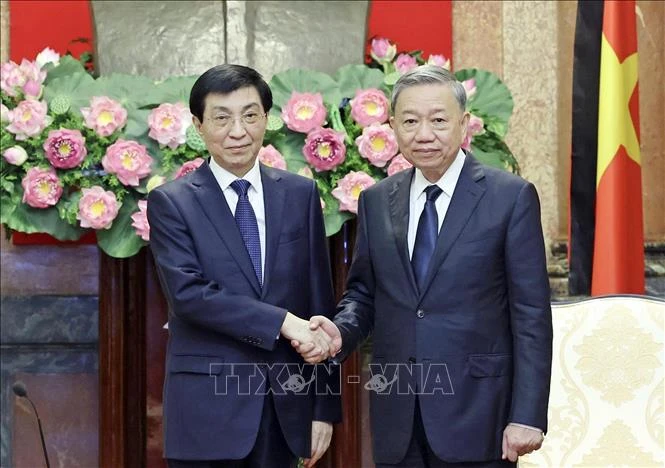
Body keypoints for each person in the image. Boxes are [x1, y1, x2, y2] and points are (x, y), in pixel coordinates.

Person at [294, 65, 553, 467]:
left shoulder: (510, 197)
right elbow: (364, 293)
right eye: (411, 121)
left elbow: (531, 314)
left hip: (479, 412)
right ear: (393, 125)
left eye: (438, 120)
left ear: (464, 123)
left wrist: (527, 415)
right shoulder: (378, 200)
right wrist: (340, 332)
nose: (424, 134)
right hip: (397, 415)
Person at [147, 64, 341, 468]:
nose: (238, 131)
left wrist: (324, 408)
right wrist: (283, 321)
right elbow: (189, 296)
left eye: (250, 115)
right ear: (199, 125)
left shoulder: (300, 194)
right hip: (207, 413)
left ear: (266, 120)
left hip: (286, 411)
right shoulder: (173, 202)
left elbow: (320, 303)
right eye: (222, 117)